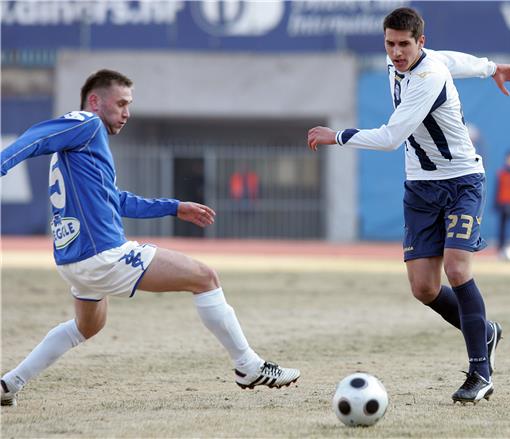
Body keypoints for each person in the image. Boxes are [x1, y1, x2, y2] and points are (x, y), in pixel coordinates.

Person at [0, 69, 299, 407]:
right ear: (95, 102)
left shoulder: (79, 147)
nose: (127, 113)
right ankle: (248, 366)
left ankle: (8, 384)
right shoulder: (86, 123)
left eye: (130, 105)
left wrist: (173, 207)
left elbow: (116, 200)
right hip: (103, 254)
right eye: (122, 103)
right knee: (205, 277)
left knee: (86, 327)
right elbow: (34, 137)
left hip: (74, 260)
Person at [308, 7, 510, 404]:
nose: (395, 52)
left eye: (404, 44)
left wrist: (337, 135)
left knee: (457, 268)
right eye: (390, 44)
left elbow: (392, 137)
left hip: (461, 182)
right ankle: (485, 331)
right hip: (420, 188)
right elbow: (457, 59)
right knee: (424, 288)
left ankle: (480, 371)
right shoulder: (414, 62)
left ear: (419, 42)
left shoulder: (428, 76)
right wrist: (491, 67)